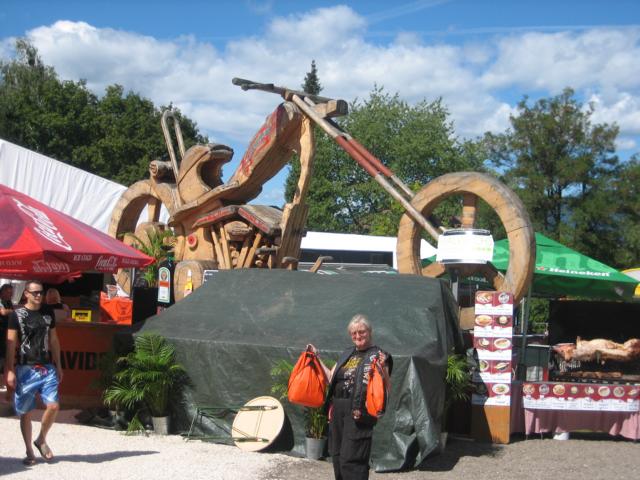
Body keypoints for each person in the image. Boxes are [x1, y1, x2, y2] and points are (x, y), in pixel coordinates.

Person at [309, 314, 392, 480]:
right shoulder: (347, 353)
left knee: (352, 459)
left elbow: (386, 387)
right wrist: (316, 357)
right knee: (337, 455)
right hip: (338, 409)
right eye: (354, 333)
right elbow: (330, 378)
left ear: (369, 332)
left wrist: (383, 368)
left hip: (359, 410)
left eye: (361, 331)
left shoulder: (379, 355)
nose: (358, 336)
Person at [5, 280, 63, 466]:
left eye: (41, 292)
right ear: (26, 294)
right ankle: (29, 451)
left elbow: (54, 340)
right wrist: (9, 370)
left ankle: (41, 439)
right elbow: (10, 344)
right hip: (25, 368)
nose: (39, 295)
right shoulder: (16, 315)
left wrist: (59, 365)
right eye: (35, 292)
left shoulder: (48, 312)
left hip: (47, 367)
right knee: (26, 412)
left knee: (53, 406)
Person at [0, 284, 15, 382]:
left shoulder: (9, 302)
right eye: (9, 292)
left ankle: (2, 379)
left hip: (5, 333)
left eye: (12, 292)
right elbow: (3, 312)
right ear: (3, 292)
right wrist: (15, 312)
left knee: (3, 356)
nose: (11, 294)